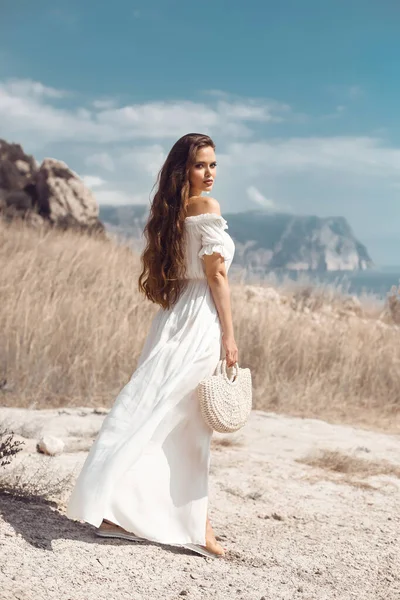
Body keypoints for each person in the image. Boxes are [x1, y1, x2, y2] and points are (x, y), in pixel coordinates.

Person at [66, 133, 238, 559]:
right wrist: (230, 336)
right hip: (198, 320)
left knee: (156, 410)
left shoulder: (171, 211)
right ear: (184, 170)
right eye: (202, 165)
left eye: (214, 164)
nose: (210, 173)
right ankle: (197, 525)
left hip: (172, 317)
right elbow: (216, 277)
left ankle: (119, 511)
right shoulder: (205, 207)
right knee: (185, 422)